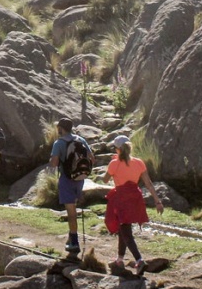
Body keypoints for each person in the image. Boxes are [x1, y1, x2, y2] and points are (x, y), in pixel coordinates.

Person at [101, 135, 163, 274]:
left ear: (117, 149)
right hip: (135, 197)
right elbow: (148, 183)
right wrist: (157, 201)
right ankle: (119, 259)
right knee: (124, 228)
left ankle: (139, 260)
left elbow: (105, 180)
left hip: (121, 198)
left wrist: (111, 165)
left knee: (126, 231)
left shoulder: (114, 164)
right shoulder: (139, 162)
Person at [48, 117, 94, 254]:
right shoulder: (80, 140)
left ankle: (74, 242)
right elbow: (92, 158)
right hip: (80, 178)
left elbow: (54, 163)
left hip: (67, 179)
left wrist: (52, 159)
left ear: (61, 129)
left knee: (71, 211)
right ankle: (71, 237)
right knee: (74, 206)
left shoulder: (59, 143)